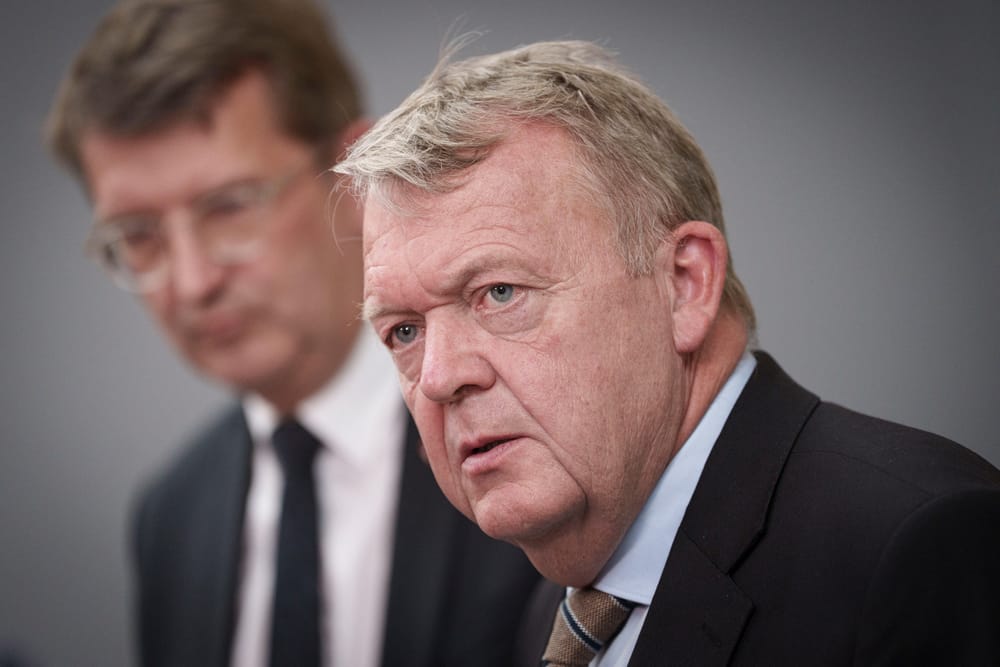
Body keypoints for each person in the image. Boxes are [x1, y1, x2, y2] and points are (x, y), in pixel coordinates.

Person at [336, 40, 1000, 665]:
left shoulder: (915, 546)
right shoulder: (560, 605)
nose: (440, 376)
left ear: (685, 284)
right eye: (403, 331)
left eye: (499, 292)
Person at [45, 2, 540, 666]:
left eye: (228, 207)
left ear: (354, 176)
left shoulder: (524, 438)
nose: (191, 283)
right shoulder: (171, 515)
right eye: (138, 236)